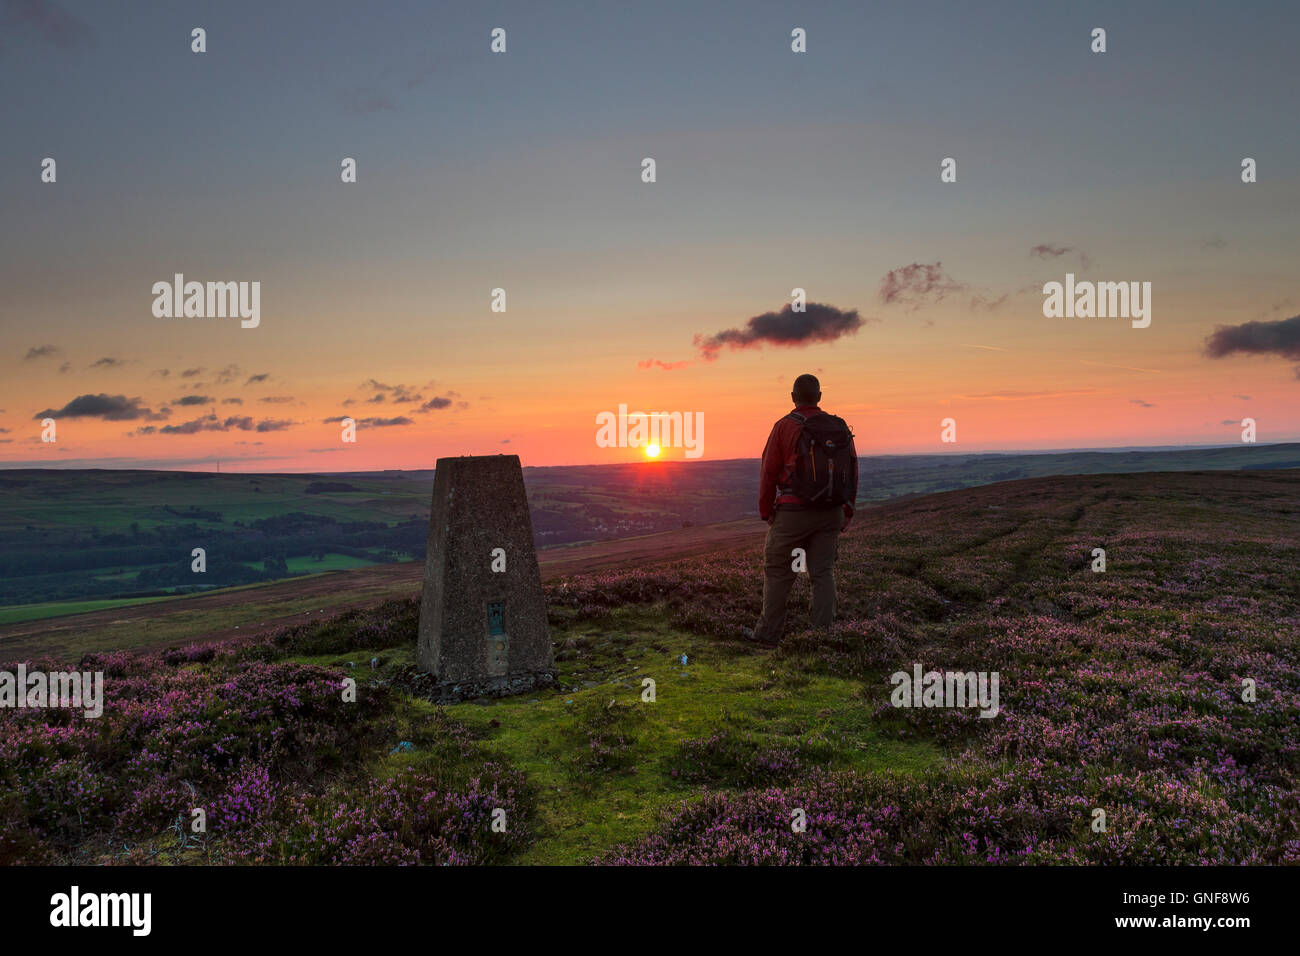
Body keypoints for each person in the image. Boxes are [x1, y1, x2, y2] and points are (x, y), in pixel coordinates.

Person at [746, 374, 858, 646]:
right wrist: (847, 511)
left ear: (793, 397)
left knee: (778, 571)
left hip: (792, 513)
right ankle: (822, 636)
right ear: (819, 396)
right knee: (822, 573)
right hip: (831, 512)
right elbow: (852, 471)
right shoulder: (839, 427)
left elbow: (768, 472)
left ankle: (767, 634)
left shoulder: (784, 427)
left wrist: (766, 511)